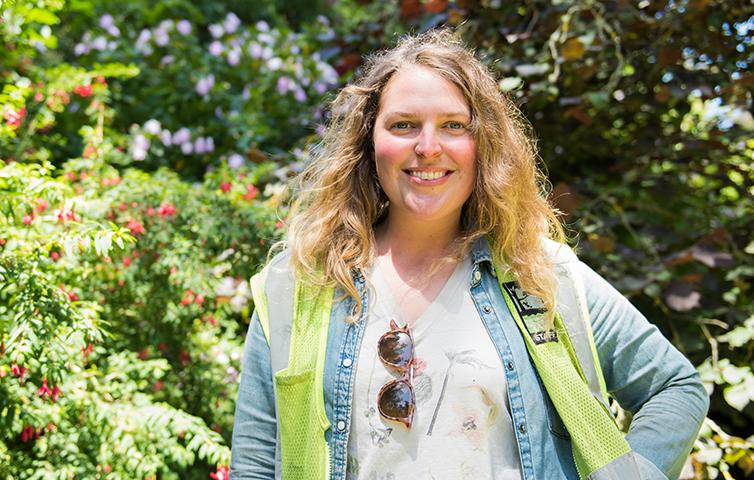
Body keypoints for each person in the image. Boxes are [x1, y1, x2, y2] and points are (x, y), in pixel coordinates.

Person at [229, 29, 708, 480]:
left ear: (483, 145)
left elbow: (674, 388)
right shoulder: (299, 285)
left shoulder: (541, 275)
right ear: (369, 143)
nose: (428, 147)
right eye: (403, 125)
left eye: (454, 125)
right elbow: (256, 464)